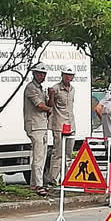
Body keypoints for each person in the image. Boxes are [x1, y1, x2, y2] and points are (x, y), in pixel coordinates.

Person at [23, 64, 51, 196]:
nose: (42, 76)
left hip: (42, 125)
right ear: (34, 74)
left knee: (41, 155)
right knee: (38, 156)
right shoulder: (31, 88)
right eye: (39, 73)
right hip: (35, 125)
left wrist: (51, 96)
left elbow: (47, 103)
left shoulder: (41, 88)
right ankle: (38, 184)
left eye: (43, 74)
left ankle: (35, 183)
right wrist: (50, 109)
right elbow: (40, 106)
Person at [45, 66, 76, 187]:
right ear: (62, 75)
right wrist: (51, 95)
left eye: (71, 75)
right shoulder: (56, 89)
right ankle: (52, 179)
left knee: (69, 153)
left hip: (71, 124)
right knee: (57, 153)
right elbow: (50, 105)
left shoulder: (73, 89)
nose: (69, 77)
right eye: (66, 75)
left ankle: (66, 178)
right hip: (59, 124)